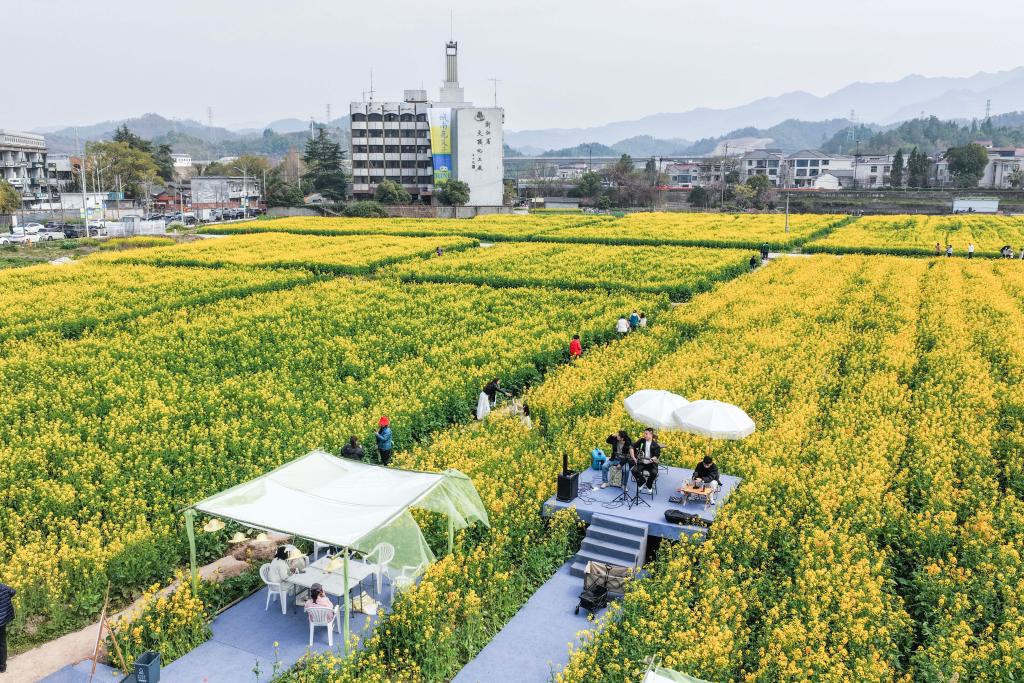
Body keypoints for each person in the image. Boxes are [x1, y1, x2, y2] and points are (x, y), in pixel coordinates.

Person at [632, 428, 661, 494]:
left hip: (651, 463)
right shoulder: (641, 441)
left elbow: (656, 456)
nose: (644, 435)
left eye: (646, 434)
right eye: (644, 433)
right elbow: (633, 446)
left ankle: (648, 484)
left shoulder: (656, 446)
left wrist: (653, 458)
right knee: (634, 470)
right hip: (641, 462)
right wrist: (634, 456)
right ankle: (642, 481)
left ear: (651, 435)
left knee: (654, 473)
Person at [0, 582, 14, 673]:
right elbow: (13, 592)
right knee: (2, 643)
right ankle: (2, 666)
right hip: (2, 620)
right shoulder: (3, 587)